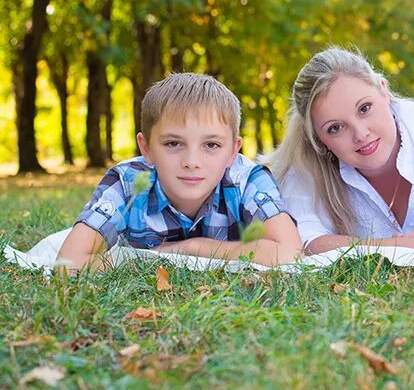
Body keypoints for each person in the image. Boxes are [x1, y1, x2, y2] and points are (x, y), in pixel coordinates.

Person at [58, 73, 302, 271]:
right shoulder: (128, 183)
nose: (192, 162)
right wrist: (142, 262)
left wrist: (191, 248)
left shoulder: (248, 180)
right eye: (173, 143)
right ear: (146, 147)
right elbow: (68, 262)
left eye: (211, 145)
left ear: (232, 152)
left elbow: (290, 252)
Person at [267, 47, 414, 254]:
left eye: (364, 108)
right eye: (335, 128)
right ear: (319, 138)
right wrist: (401, 247)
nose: (360, 134)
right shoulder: (304, 165)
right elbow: (306, 242)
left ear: (383, 90)